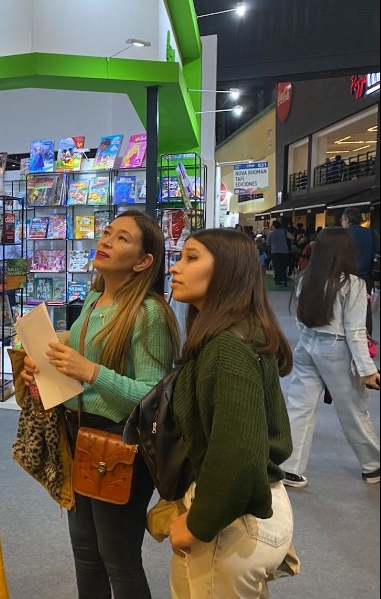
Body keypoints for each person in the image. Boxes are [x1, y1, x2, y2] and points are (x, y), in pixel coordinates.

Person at [22, 210, 179, 599]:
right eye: (108, 232)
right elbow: (80, 348)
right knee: (85, 553)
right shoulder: (94, 298)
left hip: (118, 444)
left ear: (144, 261)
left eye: (123, 238)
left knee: (119, 558)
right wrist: (40, 363)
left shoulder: (150, 313)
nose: (107, 241)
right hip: (79, 434)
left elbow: (152, 397)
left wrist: (90, 372)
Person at [167, 228, 294, 598]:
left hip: (233, 522)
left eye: (191, 258)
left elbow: (237, 454)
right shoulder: (233, 333)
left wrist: (198, 524)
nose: (176, 268)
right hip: (243, 512)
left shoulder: (227, 346)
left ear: (228, 271)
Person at [280, 228, 380, 488]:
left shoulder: (306, 279)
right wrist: (367, 369)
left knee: (299, 407)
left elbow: (301, 321)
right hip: (336, 349)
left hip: (307, 346)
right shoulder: (353, 284)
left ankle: (289, 467)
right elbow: (355, 331)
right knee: (353, 410)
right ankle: (373, 465)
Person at [341, 206, 380, 345]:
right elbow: (377, 254)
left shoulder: (342, 235)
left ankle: (346, 336)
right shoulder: (371, 233)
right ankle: (366, 337)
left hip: (344, 277)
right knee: (365, 308)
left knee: (343, 306)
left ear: (346, 219)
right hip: (365, 277)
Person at [265, 219, 292, 286]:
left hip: (275, 251)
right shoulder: (284, 231)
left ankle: (278, 281)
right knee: (283, 266)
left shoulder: (271, 233)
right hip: (284, 251)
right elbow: (292, 237)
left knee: (277, 267)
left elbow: (267, 243)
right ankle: (284, 280)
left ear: (273, 226)